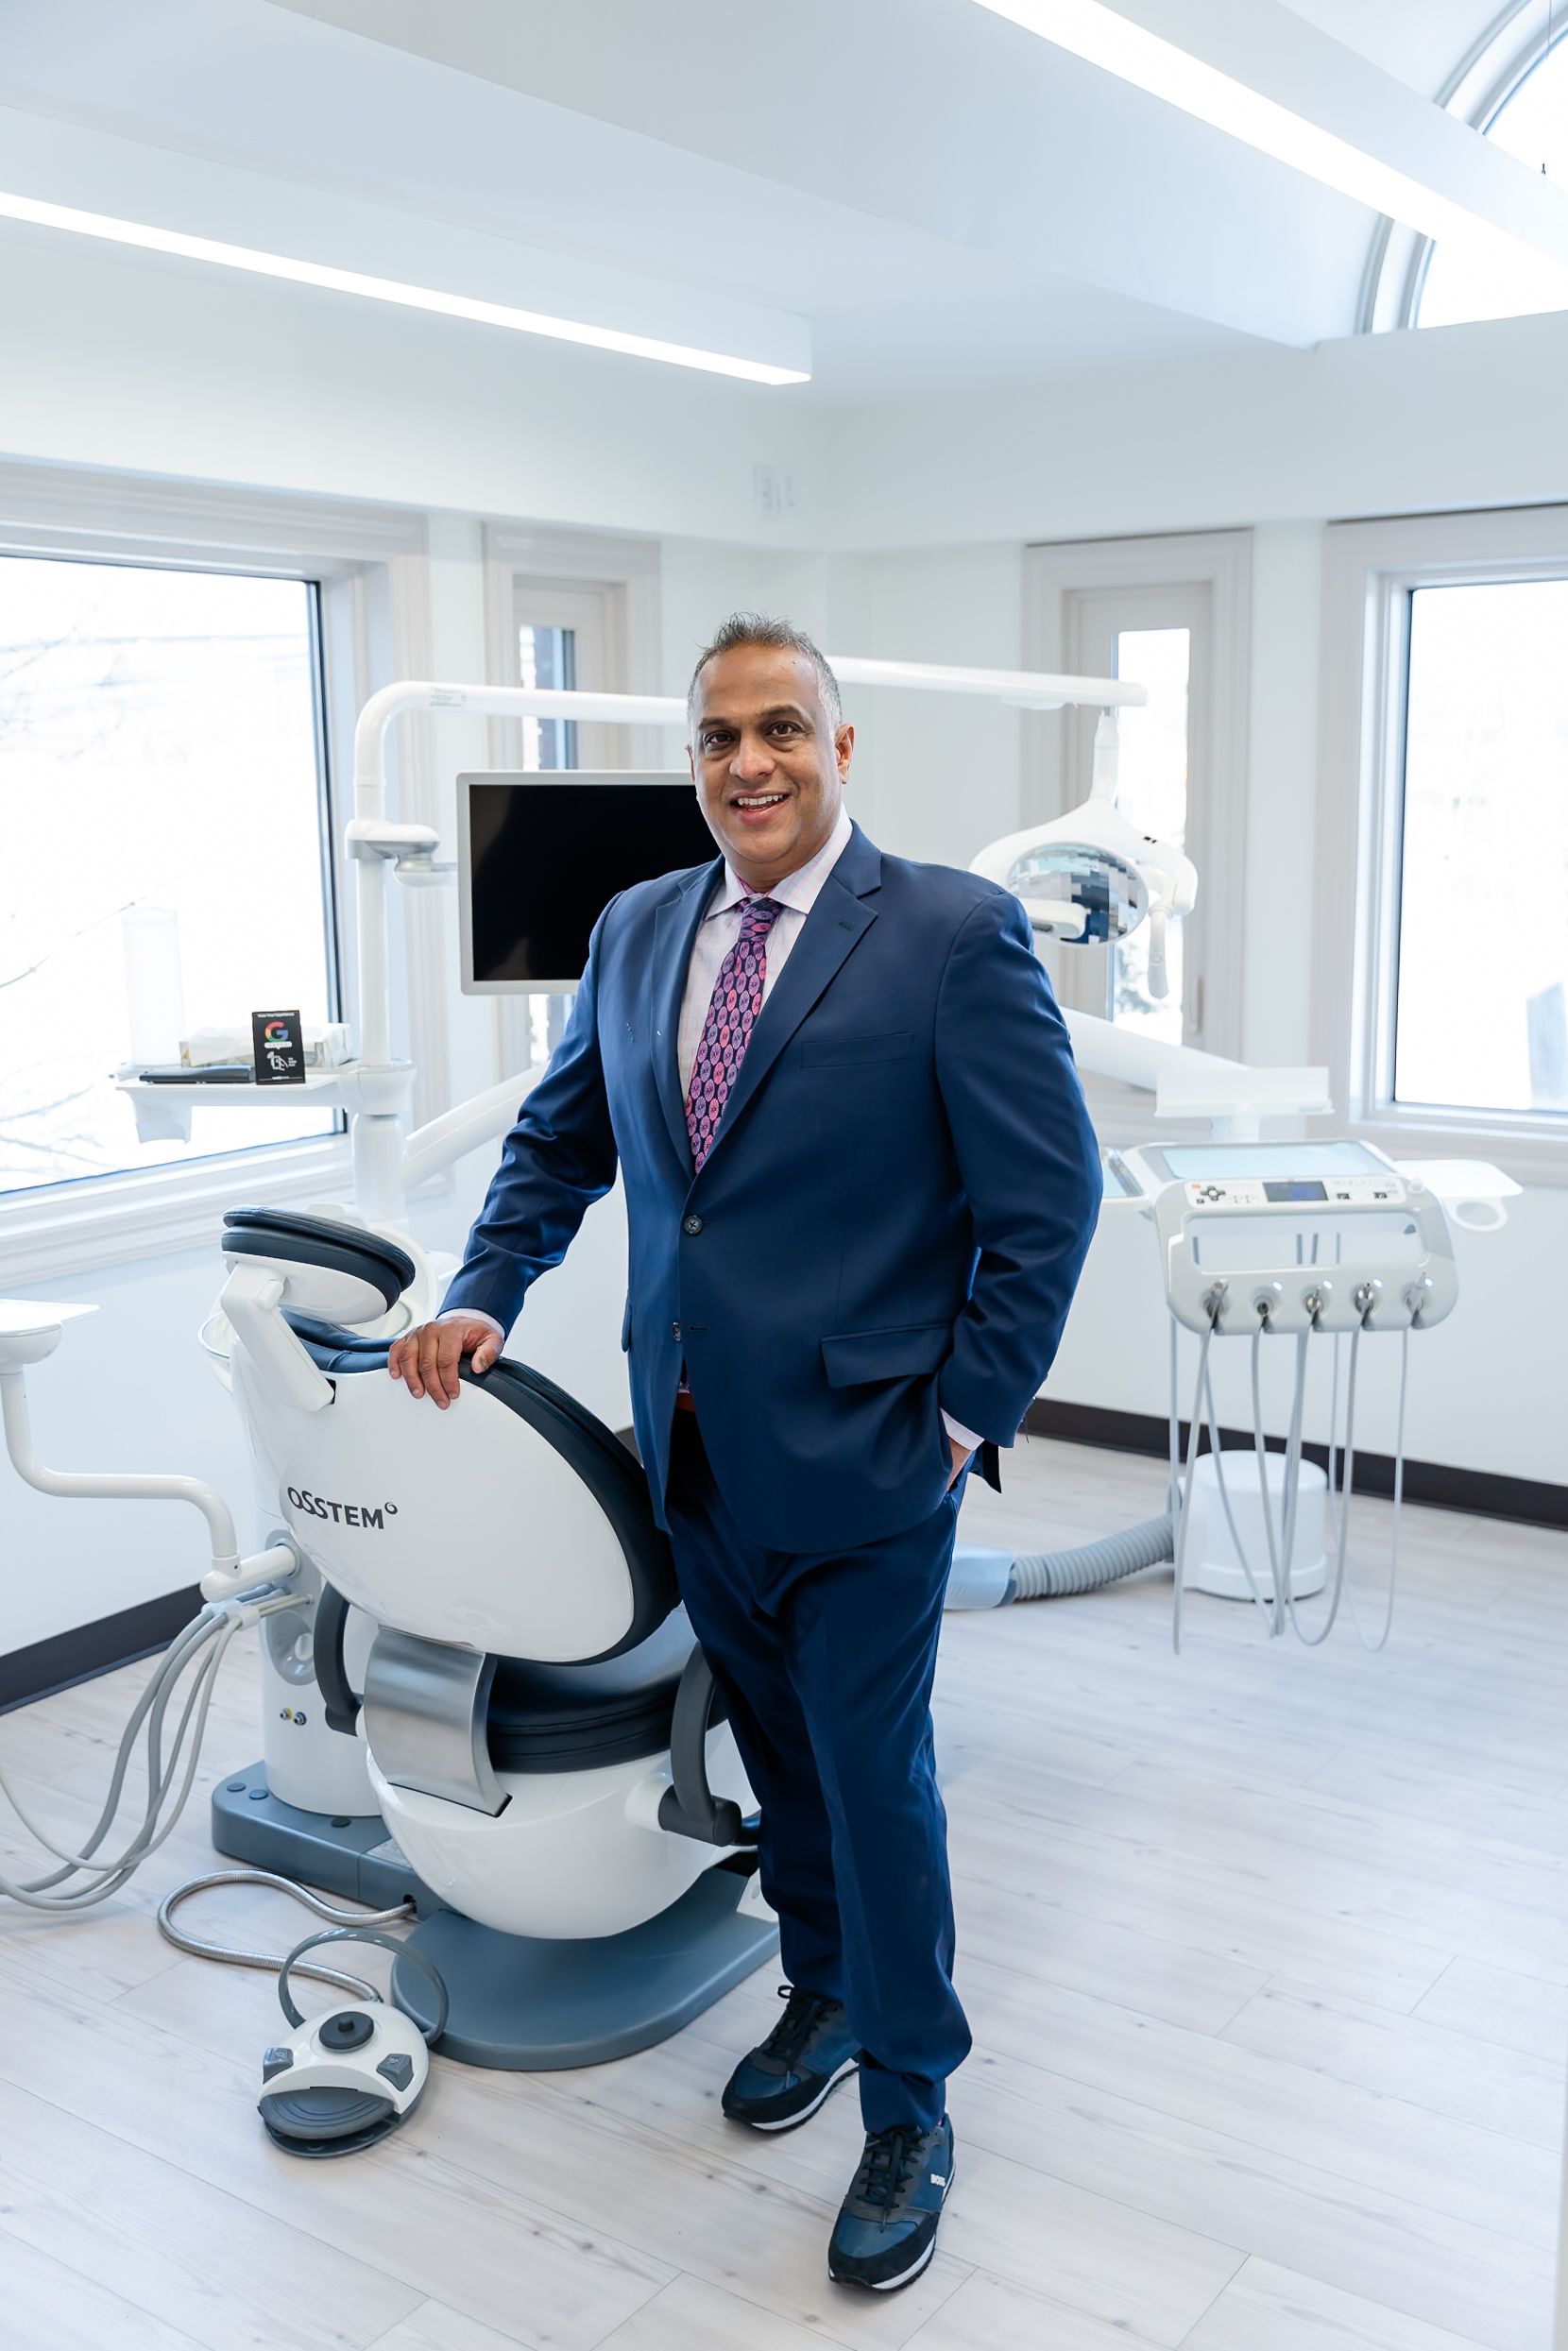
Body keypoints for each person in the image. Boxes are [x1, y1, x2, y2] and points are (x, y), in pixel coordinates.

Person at [389, 613, 1101, 2291]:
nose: (748, 762)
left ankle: (914, 2102)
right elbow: (565, 1137)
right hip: (693, 1442)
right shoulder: (639, 927)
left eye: (781, 728)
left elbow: (1046, 1201)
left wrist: (961, 1416)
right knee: (776, 1755)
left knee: (874, 1776)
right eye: (717, 737)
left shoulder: (949, 934)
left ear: (843, 748)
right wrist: (484, 1288)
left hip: (870, 1456)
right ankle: (829, 1987)